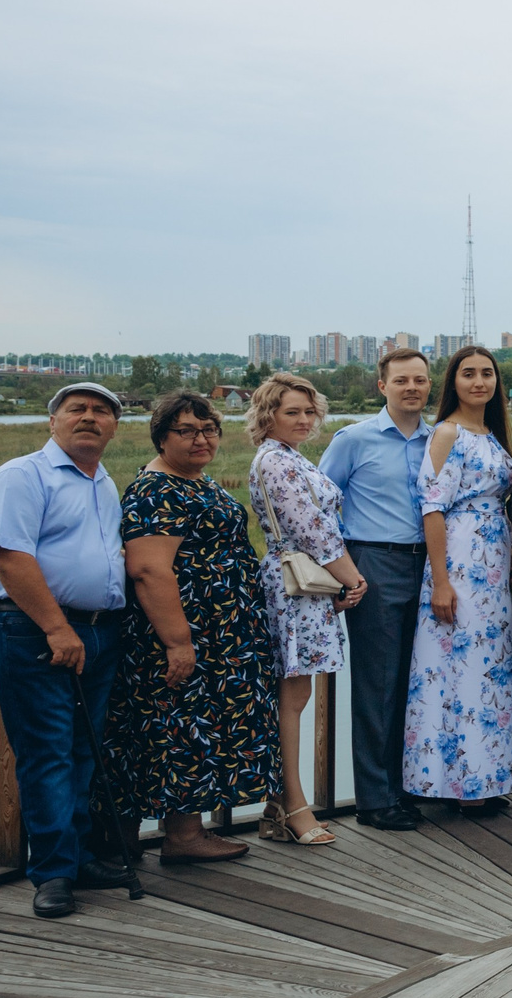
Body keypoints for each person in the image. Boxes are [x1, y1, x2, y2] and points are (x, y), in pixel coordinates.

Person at [106, 391, 283, 866]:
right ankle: (180, 838)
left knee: (195, 728)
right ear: (162, 437)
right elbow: (148, 569)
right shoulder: (156, 489)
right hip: (183, 634)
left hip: (219, 635)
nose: (201, 439)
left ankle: (185, 832)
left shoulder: (196, 481)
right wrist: (178, 642)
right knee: (177, 728)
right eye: (187, 431)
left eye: (209, 430)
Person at [0, 381, 136, 915]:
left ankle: (74, 859)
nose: (89, 418)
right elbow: (9, 557)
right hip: (38, 632)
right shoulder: (22, 476)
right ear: (54, 422)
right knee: (47, 752)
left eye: (101, 411)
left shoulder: (103, 482)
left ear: (114, 427)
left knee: (80, 752)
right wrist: (56, 628)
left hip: (99, 630)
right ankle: (52, 874)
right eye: (77, 410)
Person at [316, 347, 434, 831]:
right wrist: (342, 574)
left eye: (420, 381)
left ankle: (411, 787)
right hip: (374, 561)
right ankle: (375, 799)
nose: (412, 388)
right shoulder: (354, 440)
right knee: (378, 684)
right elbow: (319, 507)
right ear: (381, 386)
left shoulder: (440, 440)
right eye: (401, 380)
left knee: (419, 681)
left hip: (428, 565)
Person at [409, 346, 512, 811]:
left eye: (487, 374)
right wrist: (440, 581)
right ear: (453, 382)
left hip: (493, 562)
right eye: (468, 374)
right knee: (454, 668)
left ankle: (485, 778)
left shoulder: (490, 433)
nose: (479, 382)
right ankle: (453, 782)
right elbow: (432, 506)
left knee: (489, 667)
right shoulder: (447, 432)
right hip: (459, 559)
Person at [246, 374, 364, 844]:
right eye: (291, 411)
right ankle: (293, 806)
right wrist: (352, 577)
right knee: (291, 699)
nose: (303, 419)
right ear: (267, 414)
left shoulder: (290, 457)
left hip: (306, 586)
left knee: (296, 697)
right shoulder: (275, 461)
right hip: (295, 585)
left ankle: (279, 806)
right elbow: (314, 530)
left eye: (308, 411)